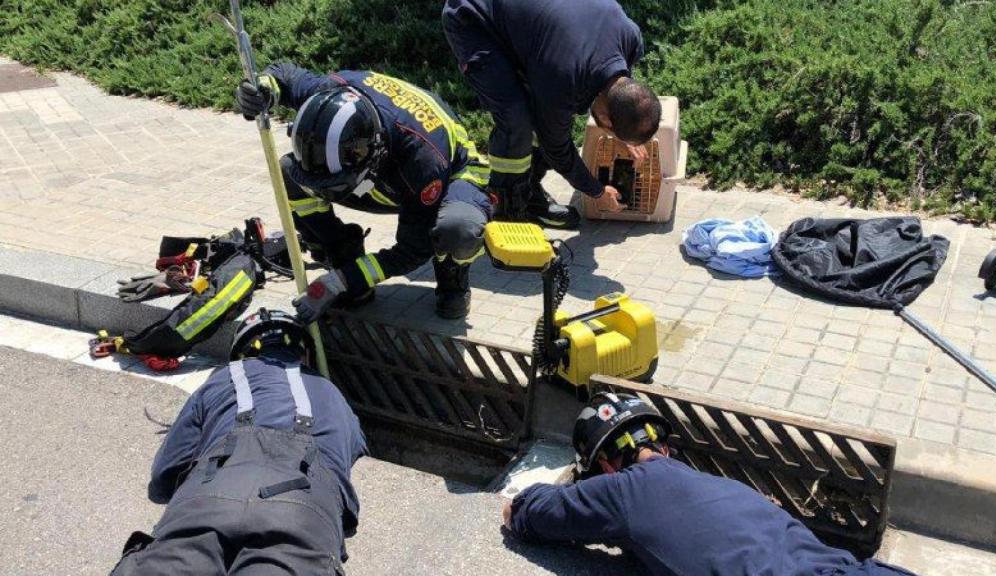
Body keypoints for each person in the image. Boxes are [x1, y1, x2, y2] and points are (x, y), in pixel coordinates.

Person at [502, 392, 918, 576]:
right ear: (665, 448)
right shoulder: (728, 489)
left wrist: (520, 509)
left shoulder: (621, 491)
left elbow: (528, 511)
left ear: (607, 467)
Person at [110, 309, 367, 575]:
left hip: (208, 497)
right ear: (304, 354)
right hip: (303, 513)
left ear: (242, 353)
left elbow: (163, 478)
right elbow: (346, 475)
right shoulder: (335, 397)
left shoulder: (222, 379)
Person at [236, 63, 493, 322]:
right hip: (388, 167)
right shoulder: (327, 94)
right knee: (288, 172)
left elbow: (412, 251)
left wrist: (338, 282)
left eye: (334, 185)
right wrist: (260, 89)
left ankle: (452, 274)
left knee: (457, 228)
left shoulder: (422, 160)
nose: (325, 192)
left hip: (453, 174)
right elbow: (283, 73)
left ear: (371, 153)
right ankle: (341, 249)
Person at [442, 0, 663, 229]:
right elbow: (556, 149)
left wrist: (625, 133)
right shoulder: (563, 76)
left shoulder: (631, 39)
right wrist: (596, 191)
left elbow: (621, 94)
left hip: (531, 25)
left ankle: (529, 194)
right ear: (607, 120)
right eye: (612, 131)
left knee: (546, 116)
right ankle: (509, 210)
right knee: (516, 119)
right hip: (473, 19)